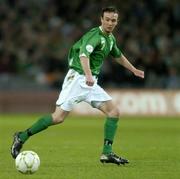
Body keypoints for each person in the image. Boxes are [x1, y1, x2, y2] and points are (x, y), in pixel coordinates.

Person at [11, 6, 144, 165]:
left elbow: (118, 55)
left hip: (90, 81)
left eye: (113, 20)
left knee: (113, 112)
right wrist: (87, 74)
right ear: (101, 19)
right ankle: (22, 136)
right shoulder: (94, 36)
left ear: (117, 21)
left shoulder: (110, 38)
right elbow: (83, 54)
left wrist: (133, 69)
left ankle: (107, 153)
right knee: (58, 117)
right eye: (107, 19)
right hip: (79, 79)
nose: (110, 23)